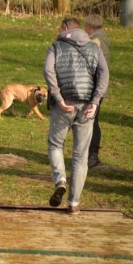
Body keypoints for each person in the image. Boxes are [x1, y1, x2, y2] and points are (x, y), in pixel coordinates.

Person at [44, 17, 109, 215]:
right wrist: (95, 101)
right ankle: (73, 203)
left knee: (56, 145)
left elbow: (48, 71)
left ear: (64, 28)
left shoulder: (55, 47)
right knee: (80, 156)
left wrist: (57, 96)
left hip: (63, 104)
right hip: (86, 106)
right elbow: (104, 74)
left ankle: (60, 180)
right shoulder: (94, 47)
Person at [84, 14, 111, 168]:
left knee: (92, 120)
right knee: (94, 119)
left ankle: (92, 155)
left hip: (94, 86)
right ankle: (91, 154)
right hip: (100, 85)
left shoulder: (95, 41)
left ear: (90, 27)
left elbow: (91, 65)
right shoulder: (103, 39)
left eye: (85, 26)